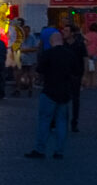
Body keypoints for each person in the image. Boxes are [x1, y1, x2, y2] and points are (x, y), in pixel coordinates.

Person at [28, 26, 82, 158]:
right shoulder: (70, 54)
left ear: (51, 42)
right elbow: (77, 72)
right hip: (64, 91)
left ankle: (40, 149)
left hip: (49, 90)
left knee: (44, 120)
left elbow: (39, 72)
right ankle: (59, 151)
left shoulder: (48, 54)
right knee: (62, 122)